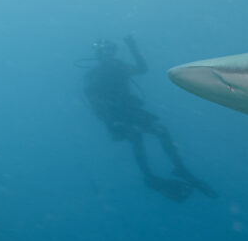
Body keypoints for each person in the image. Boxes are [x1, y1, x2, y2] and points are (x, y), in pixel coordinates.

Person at [84, 35, 216, 201]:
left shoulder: (119, 66)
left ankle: (178, 168)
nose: (108, 54)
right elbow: (95, 102)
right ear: (99, 55)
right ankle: (149, 175)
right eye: (104, 52)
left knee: (161, 130)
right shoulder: (95, 74)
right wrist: (112, 123)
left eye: (111, 51)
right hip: (116, 116)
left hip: (131, 110)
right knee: (136, 137)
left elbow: (142, 68)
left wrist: (133, 47)